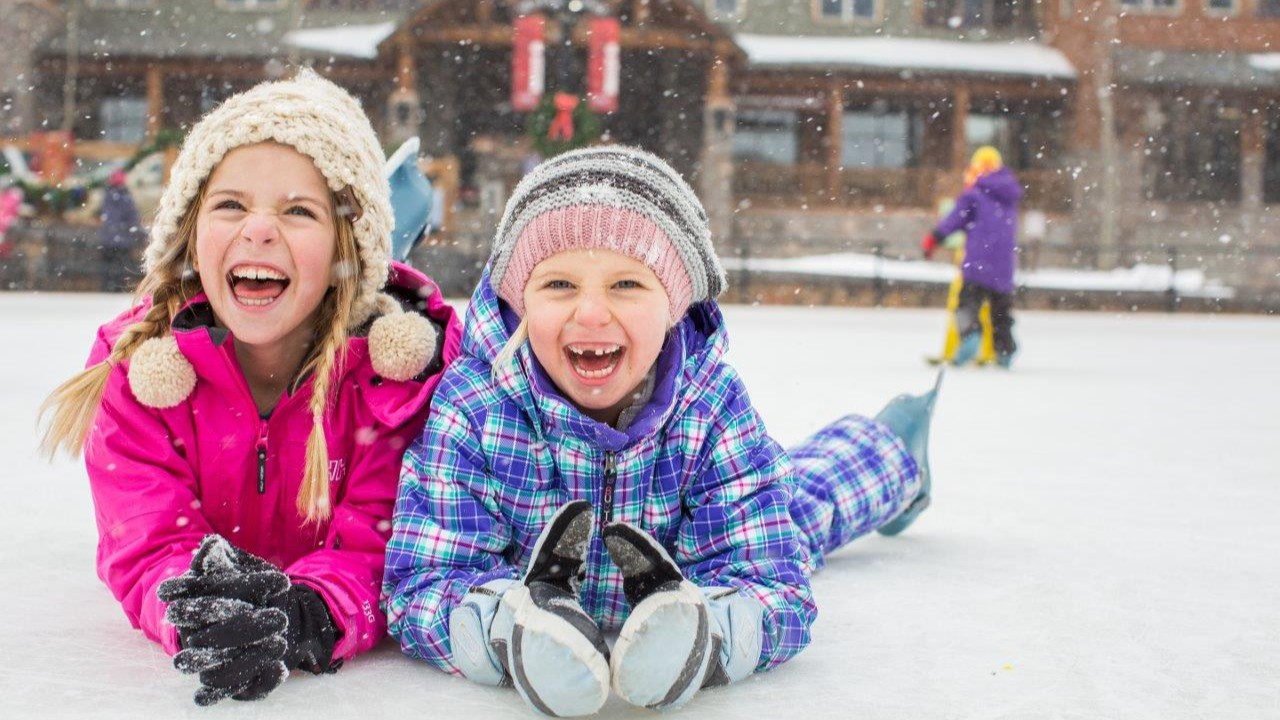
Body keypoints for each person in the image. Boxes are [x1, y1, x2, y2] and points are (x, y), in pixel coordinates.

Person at [383, 146, 940, 716]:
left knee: (803, 511)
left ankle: (896, 447)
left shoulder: (709, 404)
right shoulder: (476, 406)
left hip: (693, 552)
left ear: (674, 305)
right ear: (518, 300)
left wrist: (709, 634)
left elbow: (772, 582)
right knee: (793, 497)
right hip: (533, 585)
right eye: (558, 285)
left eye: (626, 283)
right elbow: (427, 580)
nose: (592, 313)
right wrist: (508, 629)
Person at [38, 69, 461, 706]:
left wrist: (309, 613)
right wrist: (196, 606)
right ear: (190, 233)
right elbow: (148, 540)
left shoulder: (396, 379)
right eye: (230, 205)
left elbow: (383, 542)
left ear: (347, 245)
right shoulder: (141, 371)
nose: (258, 230)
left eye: (298, 211)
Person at [922, 146, 1021, 368]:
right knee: (1000, 313)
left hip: (978, 261)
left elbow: (953, 220)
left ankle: (969, 335)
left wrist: (933, 239)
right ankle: (1004, 350)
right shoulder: (1009, 195)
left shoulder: (975, 194)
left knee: (967, 303)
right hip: (1005, 267)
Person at [98, 169, 145, 292]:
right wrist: (140, 234)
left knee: (108, 269)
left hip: (108, 240)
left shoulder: (107, 196)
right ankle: (117, 288)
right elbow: (132, 218)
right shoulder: (125, 197)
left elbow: (106, 217)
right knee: (121, 269)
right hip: (122, 241)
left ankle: (108, 288)